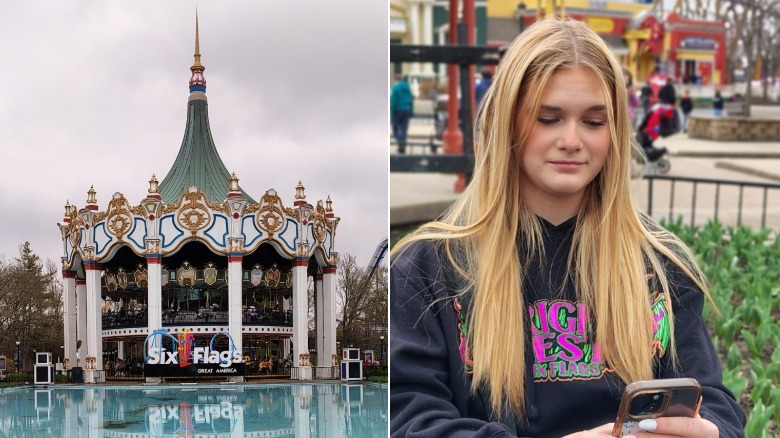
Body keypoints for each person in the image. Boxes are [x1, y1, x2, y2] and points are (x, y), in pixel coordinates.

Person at [390, 18, 744, 438]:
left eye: (594, 122)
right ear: (507, 123)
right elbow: (409, 417)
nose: (572, 140)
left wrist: (711, 431)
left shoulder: (662, 264)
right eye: (548, 118)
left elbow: (715, 401)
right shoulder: (428, 268)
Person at [390, 75, 414, 154]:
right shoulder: (407, 88)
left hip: (397, 110)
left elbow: (393, 102)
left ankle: (400, 142)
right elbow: (411, 100)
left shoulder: (395, 88)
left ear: (396, 80)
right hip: (406, 109)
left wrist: (391, 113)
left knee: (395, 128)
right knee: (404, 128)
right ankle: (402, 144)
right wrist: (411, 112)